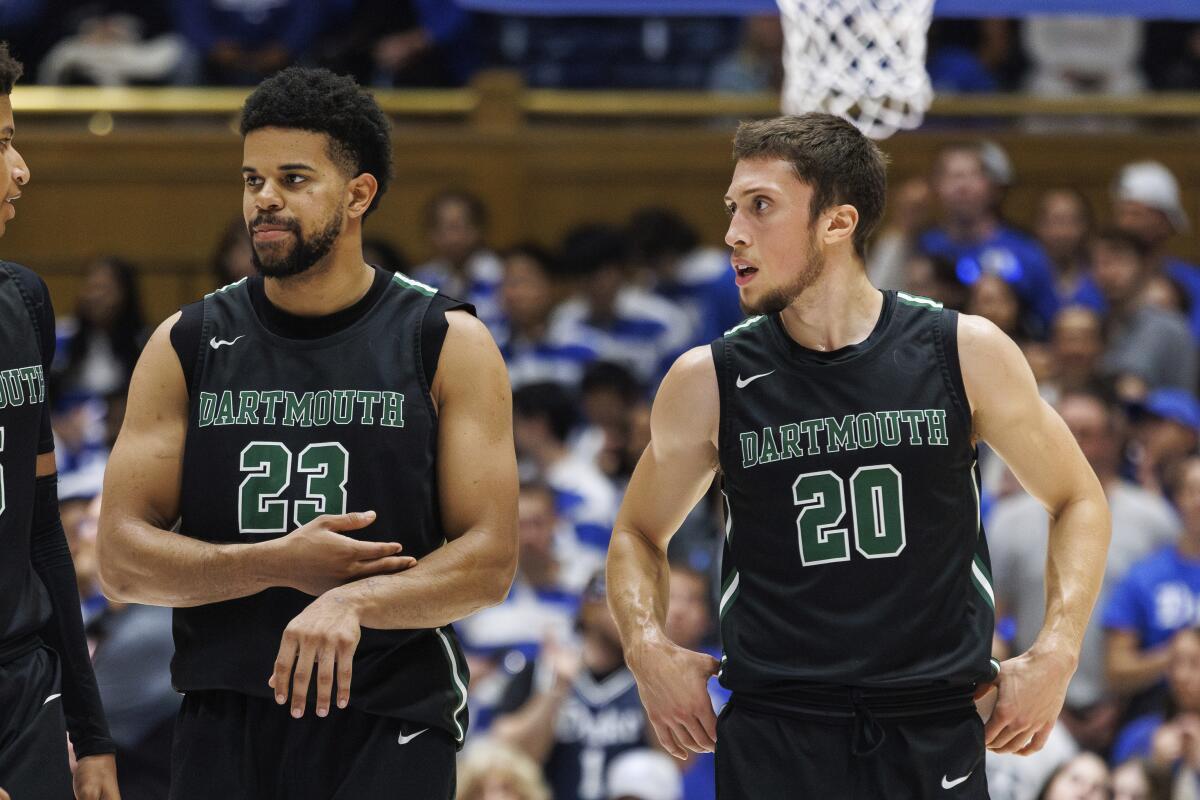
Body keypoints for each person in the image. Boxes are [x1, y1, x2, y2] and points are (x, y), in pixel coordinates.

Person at [606, 113, 1111, 799]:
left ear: (836, 224)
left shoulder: (962, 351)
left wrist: (1057, 651)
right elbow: (637, 533)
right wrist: (646, 648)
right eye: (732, 208)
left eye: (760, 207)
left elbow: (1079, 499)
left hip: (931, 721)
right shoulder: (708, 379)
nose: (732, 233)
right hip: (776, 729)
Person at [96, 67, 518, 798]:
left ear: (359, 195)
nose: (265, 199)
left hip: (389, 715)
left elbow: (489, 561)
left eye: (294, 178)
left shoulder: (443, 341)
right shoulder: (185, 342)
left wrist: (352, 601)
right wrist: (276, 563)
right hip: (225, 715)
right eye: (253, 178)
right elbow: (121, 561)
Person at [0, 42, 120, 799]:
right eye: (3, 143)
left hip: (25, 691)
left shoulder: (24, 303)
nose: (21, 170)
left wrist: (93, 730)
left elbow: (43, 528)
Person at [989, 390, 1178, 751]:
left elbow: (1167, 615)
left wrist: (1123, 700)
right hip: (1032, 708)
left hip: (1137, 707)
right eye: (1065, 428)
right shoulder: (1008, 519)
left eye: (1087, 432)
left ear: (1111, 440)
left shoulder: (1155, 519)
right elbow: (991, 621)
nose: (1073, 441)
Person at [492, 573, 649, 800]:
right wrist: (556, 691)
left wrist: (649, 678)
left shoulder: (647, 679)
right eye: (622, 603)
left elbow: (676, 764)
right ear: (588, 608)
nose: (633, 615)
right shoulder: (543, 669)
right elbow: (511, 754)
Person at [919, 140, 1060, 337]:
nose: (962, 186)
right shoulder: (923, 247)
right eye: (953, 176)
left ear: (993, 186)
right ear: (936, 186)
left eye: (973, 175)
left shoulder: (1026, 251)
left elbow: (1050, 324)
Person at [1090, 228, 1196, 400]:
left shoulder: (1162, 324)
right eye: (1100, 263)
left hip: (1165, 423)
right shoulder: (1105, 323)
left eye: (1118, 261)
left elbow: (1131, 391)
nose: (1107, 273)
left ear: (1145, 266)